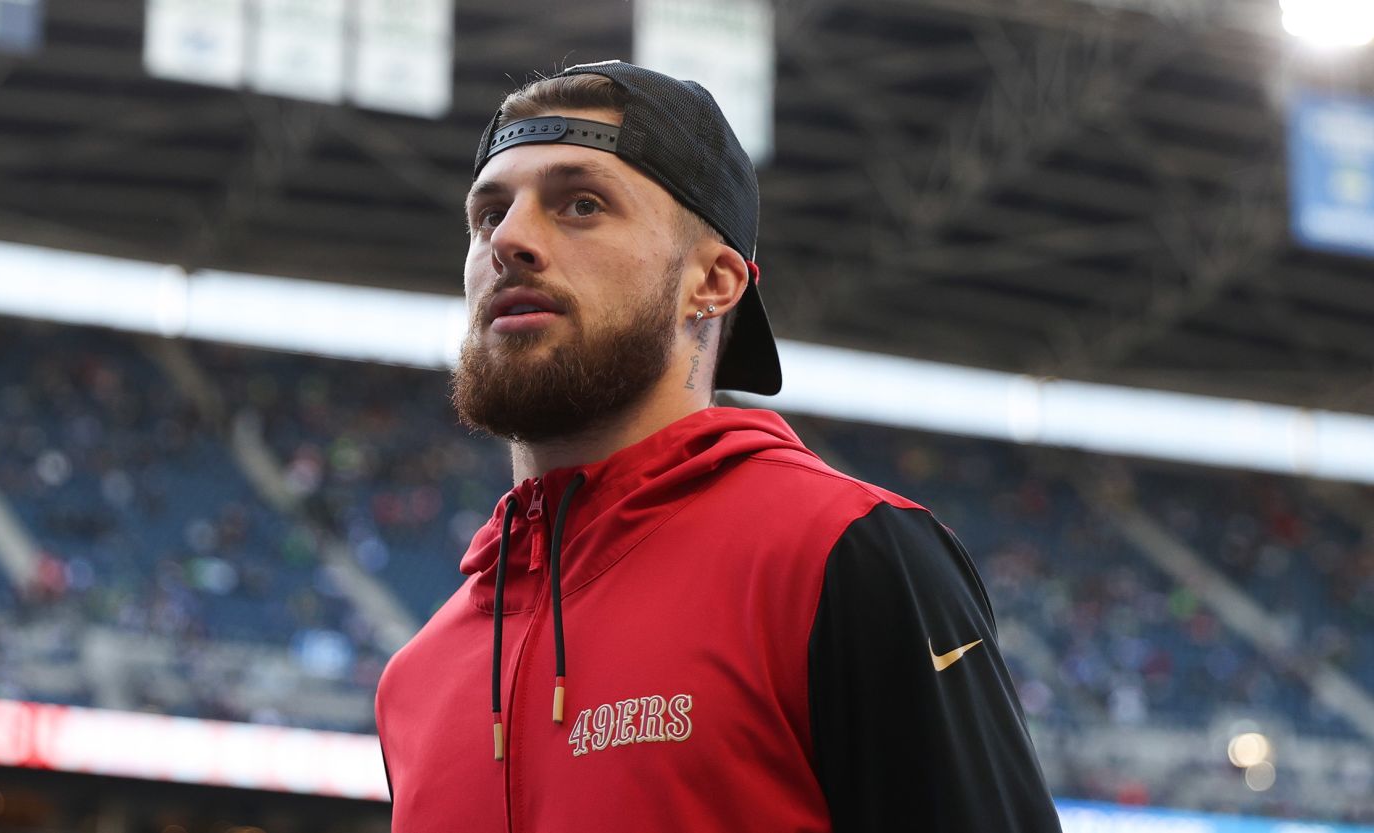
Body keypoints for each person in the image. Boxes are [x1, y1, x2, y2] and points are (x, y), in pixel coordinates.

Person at [375, 60, 1061, 832]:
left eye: (582, 204)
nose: (511, 240)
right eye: (488, 214)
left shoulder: (847, 557)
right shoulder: (417, 677)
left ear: (715, 280)